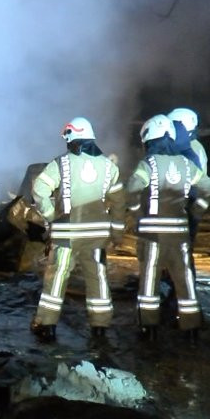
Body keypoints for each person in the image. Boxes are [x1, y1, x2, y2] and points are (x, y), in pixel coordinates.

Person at [29, 118, 124, 342]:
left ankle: (47, 325)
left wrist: (51, 216)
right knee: (98, 278)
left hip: (67, 234)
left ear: (72, 138)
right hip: (96, 236)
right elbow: (119, 202)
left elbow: (39, 190)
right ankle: (100, 327)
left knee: (57, 277)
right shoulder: (109, 167)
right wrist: (117, 233)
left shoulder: (60, 164)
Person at [127, 114, 210, 342]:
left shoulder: (148, 165)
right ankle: (191, 329)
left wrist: (138, 213)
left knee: (150, 281)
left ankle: (149, 329)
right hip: (180, 234)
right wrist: (195, 211)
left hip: (153, 235)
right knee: (184, 279)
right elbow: (209, 188)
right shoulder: (187, 164)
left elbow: (132, 189)